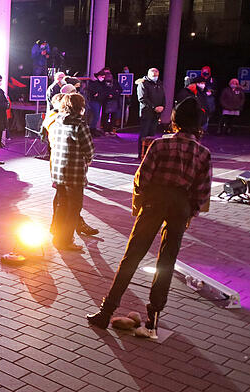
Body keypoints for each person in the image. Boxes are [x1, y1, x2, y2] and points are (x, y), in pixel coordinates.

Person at [86, 97, 211, 340]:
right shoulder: (203, 153)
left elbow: (142, 178)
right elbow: (202, 191)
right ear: (198, 124)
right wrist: (189, 212)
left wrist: (140, 202)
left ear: (174, 121)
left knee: (132, 256)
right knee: (166, 262)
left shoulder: (159, 145)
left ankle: (106, 311)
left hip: (154, 201)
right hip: (180, 205)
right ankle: (152, 322)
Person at [48, 94, 94, 251]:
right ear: (79, 106)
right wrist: (88, 159)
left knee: (62, 205)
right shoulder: (79, 124)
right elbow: (89, 149)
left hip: (58, 169)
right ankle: (65, 241)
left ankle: (57, 235)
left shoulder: (56, 121)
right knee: (74, 207)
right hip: (74, 171)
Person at [136, 68, 166, 159]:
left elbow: (163, 97)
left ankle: (149, 153)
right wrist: (154, 107)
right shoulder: (143, 83)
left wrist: (162, 106)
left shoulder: (159, 84)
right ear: (149, 75)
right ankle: (141, 154)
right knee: (144, 134)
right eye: (153, 75)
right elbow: (142, 98)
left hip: (156, 114)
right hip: (147, 112)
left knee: (152, 134)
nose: (155, 77)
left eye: (156, 75)